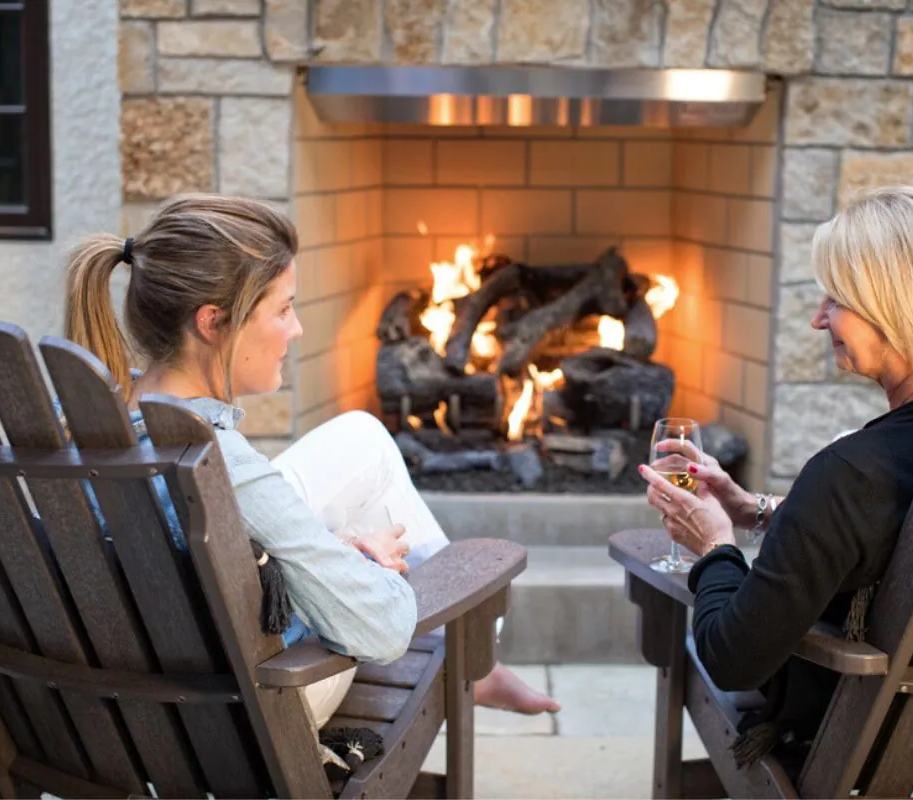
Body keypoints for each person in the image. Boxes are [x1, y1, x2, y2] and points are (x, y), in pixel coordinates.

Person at [64, 193, 559, 729]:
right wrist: (369, 564)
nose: (297, 328)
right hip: (250, 704)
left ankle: (479, 666)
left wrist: (333, 551)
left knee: (362, 439)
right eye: (283, 308)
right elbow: (383, 629)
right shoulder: (214, 460)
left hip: (138, 681)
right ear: (212, 323)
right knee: (379, 570)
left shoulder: (102, 419)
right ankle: (472, 661)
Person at [638, 186, 913, 775]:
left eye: (835, 300)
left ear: (896, 310)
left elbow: (731, 658)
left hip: (855, 748)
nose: (819, 318)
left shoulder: (853, 472)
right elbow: (890, 528)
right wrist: (759, 510)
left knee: (678, 636)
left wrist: (714, 544)